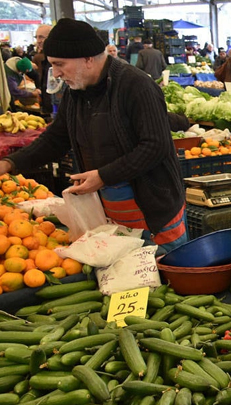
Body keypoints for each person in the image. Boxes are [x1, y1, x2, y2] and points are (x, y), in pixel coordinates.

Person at [0, 19, 187, 252]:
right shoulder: (76, 92)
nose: (56, 73)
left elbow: (155, 146)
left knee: (162, 278)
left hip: (153, 211)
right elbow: (55, 139)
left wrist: (103, 175)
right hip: (109, 212)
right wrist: (10, 163)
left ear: (88, 59)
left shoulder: (136, 86)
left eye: (60, 64)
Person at [31, 24, 53, 115]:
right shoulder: (44, 59)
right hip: (47, 106)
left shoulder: (55, 60)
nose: (38, 41)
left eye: (41, 37)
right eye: (36, 37)